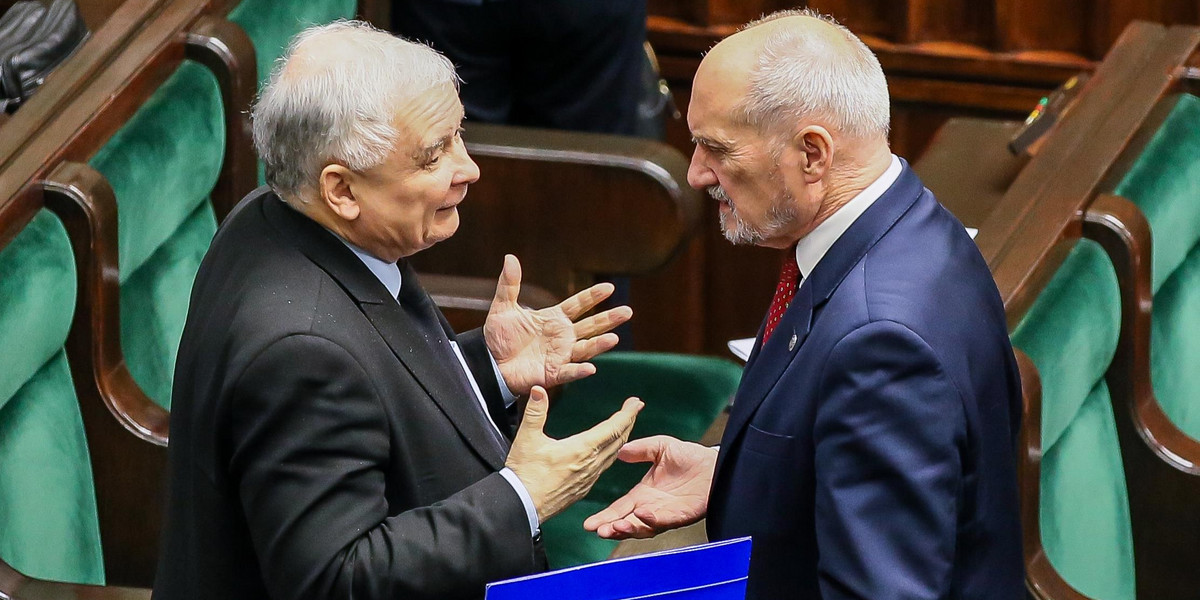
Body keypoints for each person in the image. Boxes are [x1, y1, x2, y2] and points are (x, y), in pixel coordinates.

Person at [153, 21, 642, 600]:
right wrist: (524, 496)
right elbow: (336, 579)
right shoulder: (301, 352)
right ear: (341, 189)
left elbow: (369, 396)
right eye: (434, 155)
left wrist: (484, 371)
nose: (468, 169)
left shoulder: (281, 217)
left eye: (457, 136)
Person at [585, 10, 1025, 600]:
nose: (695, 175)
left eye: (716, 148)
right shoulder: (908, 224)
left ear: (813, 153)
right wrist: (734, 472)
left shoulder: (881, 341)